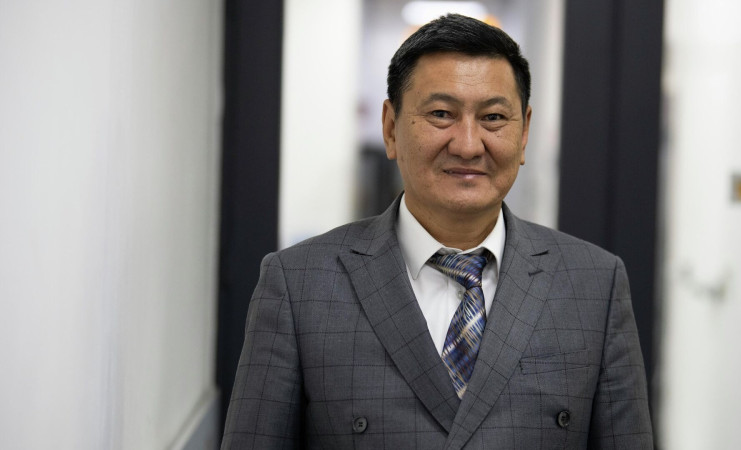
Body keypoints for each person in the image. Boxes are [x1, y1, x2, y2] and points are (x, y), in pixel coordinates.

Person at [222, 13, 653, 449]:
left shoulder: (594, 285)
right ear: (390, 128)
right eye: (441, 114)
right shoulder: (299, 285)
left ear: (524, 133)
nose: (467, 145)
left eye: (493, 117)